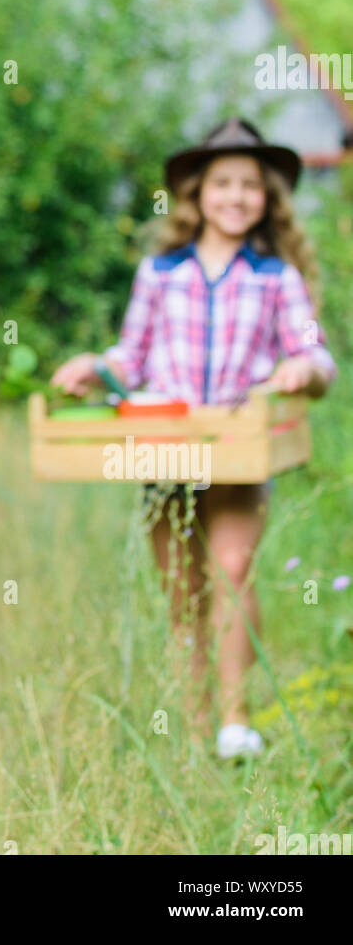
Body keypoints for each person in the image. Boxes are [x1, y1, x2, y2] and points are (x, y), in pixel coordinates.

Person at [51, 118, 335, 760]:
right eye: (223, 184)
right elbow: (133, 355)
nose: (236, 197)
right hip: (167, 447)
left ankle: (236, 720)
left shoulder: (275, 277)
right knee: (182, 590)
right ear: (198, 194)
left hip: (239, 447)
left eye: (250, 186)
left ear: (267, 199)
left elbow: (314, 352)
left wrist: (305, 367)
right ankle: (195, 719)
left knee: (232, 569)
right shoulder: (161, 272)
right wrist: (96, 367)